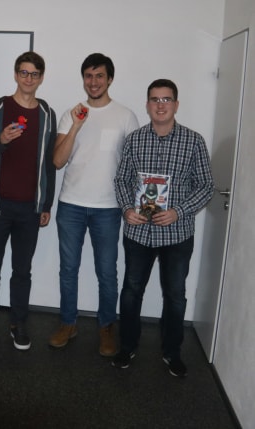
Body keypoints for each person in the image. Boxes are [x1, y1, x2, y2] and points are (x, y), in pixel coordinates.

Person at [112, 79, 214, 377]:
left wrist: (178, 211)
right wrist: (127, 209)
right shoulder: (134, 140)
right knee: (131, 292)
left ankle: (172, 352)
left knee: (175, 296)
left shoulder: (194, 141)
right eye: (155, 99)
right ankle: (127, 346)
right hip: (138, 232)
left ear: (176, 104)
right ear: (147, 104)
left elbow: (206, 186)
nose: (160, 105)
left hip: (176, 234)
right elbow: (121, 180)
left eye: (166, 99)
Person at [48, 53, 139, 356]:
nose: (94, 81)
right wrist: (76, 125)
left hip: (108, 207)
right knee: (68, 269)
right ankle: (68, 323)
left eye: (100, 76)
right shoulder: (71, 114)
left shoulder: (125, 116)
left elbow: (134, 166)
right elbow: (57, 161)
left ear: (109, 79)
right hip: (71, 205)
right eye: (88, 76)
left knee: (107, 272)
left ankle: (106, 327)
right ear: (83, 79)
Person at [0, 51, 56, 351]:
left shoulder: (47, 113)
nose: (28, 78)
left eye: (34, 74)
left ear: (41, 77)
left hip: (29, 208)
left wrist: (46, 204)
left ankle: (18, 323)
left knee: (22, 271)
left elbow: (48, 163)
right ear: (15, 74)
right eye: (24, 72)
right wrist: (2, 141)